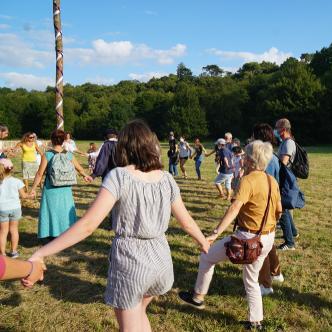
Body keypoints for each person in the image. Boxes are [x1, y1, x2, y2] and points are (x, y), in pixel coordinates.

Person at [25, 120, 210, 331]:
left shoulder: (119, 177)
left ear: (123, 146)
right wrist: (204, 243)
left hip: (131, 262)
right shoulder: (167, 178)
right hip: (161, 261)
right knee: (140, 313)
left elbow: (88, 225)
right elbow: (186, 222)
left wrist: (42, 252)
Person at [178, 140, 282, 331]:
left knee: (207, 257)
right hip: (267, 238)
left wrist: (215, 233)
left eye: (244, 156)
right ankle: (255, 320)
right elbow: (279, 211)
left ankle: (198, 297)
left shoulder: (248, 181)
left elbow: (234, 208)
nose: (241, 159)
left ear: (250, 160)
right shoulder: (271, 180)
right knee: (251, 279)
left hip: (247, 239)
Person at [30, 130, 93, 241]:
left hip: (51, 188)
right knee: (65, 210)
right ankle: (67, 232)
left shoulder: (48, 155)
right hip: (65, 188)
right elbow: (79, 168)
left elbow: (40, 174)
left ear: (52, 140)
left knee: (51, 211)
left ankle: (52, 234)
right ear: (64, 141)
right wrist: (85, 176)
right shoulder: (69, 154)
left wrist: (33, 188)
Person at [252, 123, 284, 295]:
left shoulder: (267, 157)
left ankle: (265, 284)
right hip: (272, 203)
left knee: (260, 243)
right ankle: (276, 273)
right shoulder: (273, 155)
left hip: (263, 204)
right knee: (269, 242)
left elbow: (264, 182)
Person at [0, 159, 33, 258]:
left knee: (3, 232)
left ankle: (2, 254)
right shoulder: (17, 181)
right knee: (14, 230)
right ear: (11, 169)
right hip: (15, 208)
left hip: (2, 208)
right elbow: (24, 196)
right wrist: (30, 195)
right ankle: (14, 251)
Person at [274, 118, 299, 250]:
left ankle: (289, 243)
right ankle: (294, 232)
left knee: (281, 209)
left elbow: (283, 162)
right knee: (285, 208)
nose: (275, 130)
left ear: (283, 129)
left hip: (285, 179)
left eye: (277, 128)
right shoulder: (285, 142)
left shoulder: (288, 143)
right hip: (284, 178)